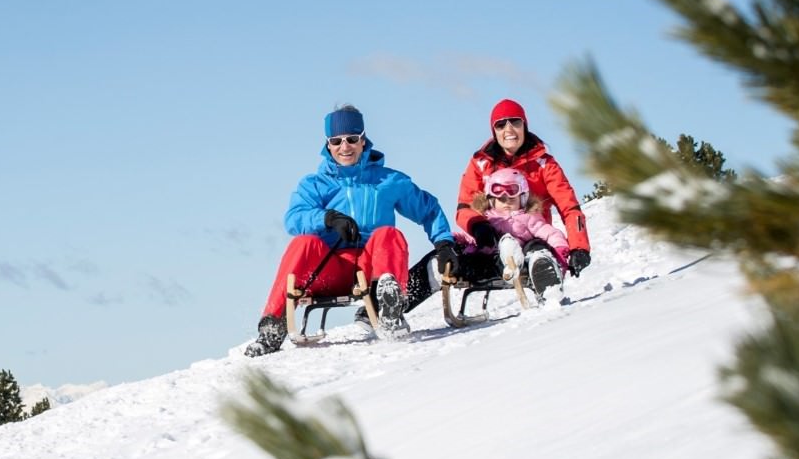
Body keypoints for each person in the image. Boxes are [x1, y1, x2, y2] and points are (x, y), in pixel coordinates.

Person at [245, 105, 457, 357]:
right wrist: (327, 218)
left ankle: (387, 306)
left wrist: (443, 243)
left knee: (388, 234)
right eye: (336, 141)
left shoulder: (387, 181)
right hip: (330, 269)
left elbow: (428, 209)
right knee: (302, 243)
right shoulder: (315, 184)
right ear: (328, 144)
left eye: (351, 139)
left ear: (363, 140)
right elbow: (293, 218)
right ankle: (272, 327)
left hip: (372, 269)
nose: (344, 147)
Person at [407, 97, 590, 308]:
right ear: (494, 130)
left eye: (515, 122)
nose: (509, 129)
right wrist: (478, 226)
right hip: (489, 246)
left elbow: (569, 207)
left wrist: (579, 247)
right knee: (444, 255)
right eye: (501, 124)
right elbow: (465, 206)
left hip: (528, 240)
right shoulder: (481, 163)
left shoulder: (543, 165)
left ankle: (547, 283)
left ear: (525, 125)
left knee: (538, 250)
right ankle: (389, 305)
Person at [450, 167, 572, 298]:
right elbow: (471, 239)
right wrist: (454, 239)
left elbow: (550, 233)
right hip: (494, 264)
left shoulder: (529, 217)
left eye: (512, 199)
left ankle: (543, 269)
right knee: (475, 254)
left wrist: (560, 249)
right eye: (501, 199)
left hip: (522, 264)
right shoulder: (486, 220)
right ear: (491, 200)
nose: (506, 203)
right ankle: (452, 270)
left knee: (536, 245)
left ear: (523, 199)